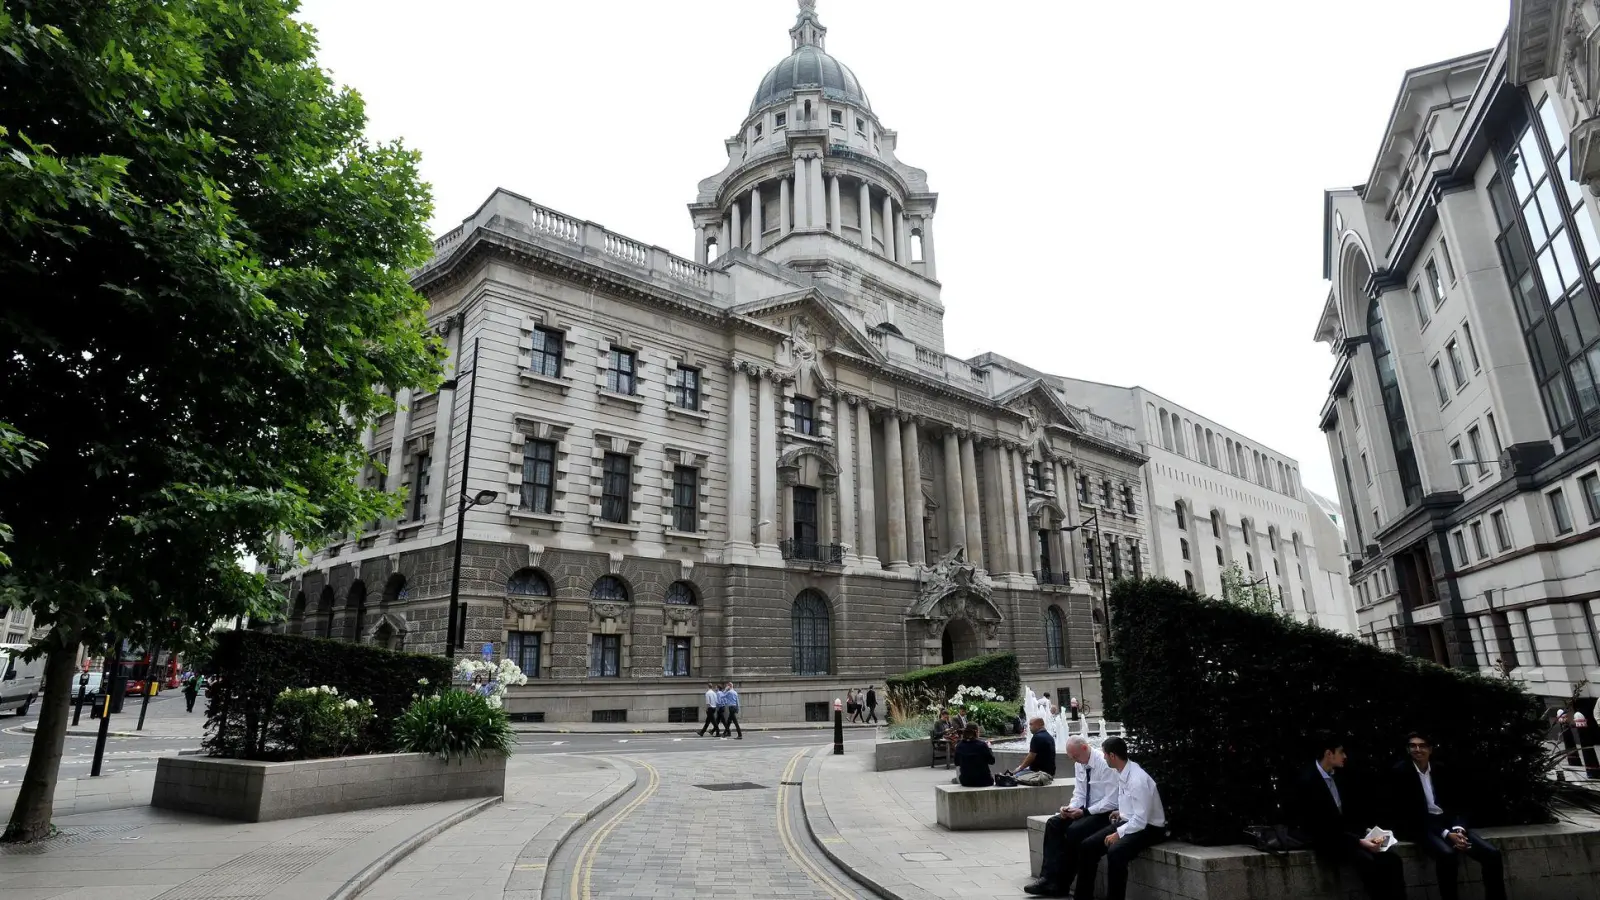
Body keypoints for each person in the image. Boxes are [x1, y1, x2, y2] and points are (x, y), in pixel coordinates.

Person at [1285, 732, 1406, 900]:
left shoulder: (1339, 774)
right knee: (1368, 862)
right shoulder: (1307, 781)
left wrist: (1367, 831)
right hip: (1326, 839)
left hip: (1347, 835)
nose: (1345, 756)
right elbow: (1319, 827)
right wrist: (1358, 841)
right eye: (1341, 752)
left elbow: (1350, 812)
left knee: (1393, 860)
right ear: (1329, 754)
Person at [1389, 731, 1504, 900]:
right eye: (1412, 746)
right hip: (1421, 826)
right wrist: (1446, 834)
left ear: (1430, 749)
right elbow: (1409, 815)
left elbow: (1460, 804)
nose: (1417, 749)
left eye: (1421, 746)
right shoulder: (1400, 773)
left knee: (1492, 854)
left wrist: (1459, 829)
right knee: (1447, 856)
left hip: (1449, 823)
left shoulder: (1441, 769)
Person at [1064, 737, 1167, 900]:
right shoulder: (1124, 771)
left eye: (1105, 755)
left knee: (1116, 852)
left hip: (1149, 828)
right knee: (1087, 846)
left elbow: (1141, 820)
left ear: (1112, 756)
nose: (1103, 758)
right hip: (1131, 822)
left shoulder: (1137, 779)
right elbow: (1134, 807)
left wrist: (1118, 834)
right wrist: (1121, 811)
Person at [1026, 736, 1121, 896]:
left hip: (1104, 812)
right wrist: (1069, 808)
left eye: (1076, 757)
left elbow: (1111, 801)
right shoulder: (1080, 763)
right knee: (1053, 824)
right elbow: (1080, 793)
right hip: (1085, 810)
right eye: (1072, 758)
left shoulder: (1105, 764)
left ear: (1084, 748)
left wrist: (1084, 812)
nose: (1075, 761)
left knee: (1075, 831)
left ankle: (1062, 883)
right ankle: (1047, 879)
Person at [1009, 717, 1057, 786]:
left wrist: (1019, 768)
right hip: (1049, 772)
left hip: (1040, 773)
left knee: (1013, 777)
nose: (1029, 727)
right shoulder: (1049, 736)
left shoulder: (1037, 737)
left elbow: (1031, 756)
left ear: (1038, 725)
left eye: (1031, 725)